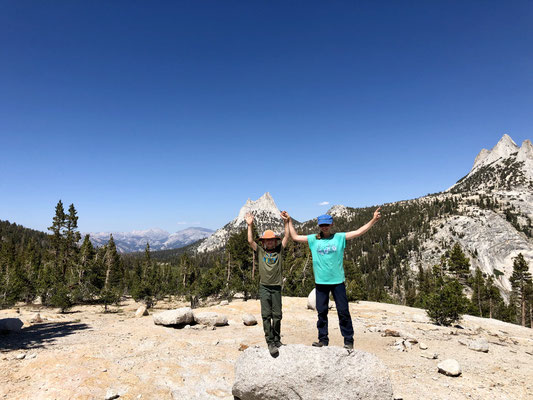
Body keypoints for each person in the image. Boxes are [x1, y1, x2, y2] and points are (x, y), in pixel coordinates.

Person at [281, 208, 381, 350]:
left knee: (343, 311)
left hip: (338, 282)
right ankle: (323, 340)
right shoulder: (314, 239)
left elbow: (358, 232)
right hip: (321, 282)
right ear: (319, 226)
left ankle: (348, 340)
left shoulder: (339, 237)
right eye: (322, 225)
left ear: (332, 224)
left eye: (326, 224)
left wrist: (373, 220)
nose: (324, 227)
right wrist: (289, 221)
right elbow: (295, 237)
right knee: (322, 312)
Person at [246, 212, 290, 357]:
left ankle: (277, 339)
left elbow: (287, 237)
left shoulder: (279, 251)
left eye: (272, 240)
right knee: (266, 316)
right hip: (264, 287)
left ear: (275, 241)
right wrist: (250, 225)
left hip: (276, 287)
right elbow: (250, 241)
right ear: (264, 242)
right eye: (267, 240)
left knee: (277, 315)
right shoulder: (260, 251)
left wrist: (286, 222)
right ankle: (269, 341)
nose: (270, 242)